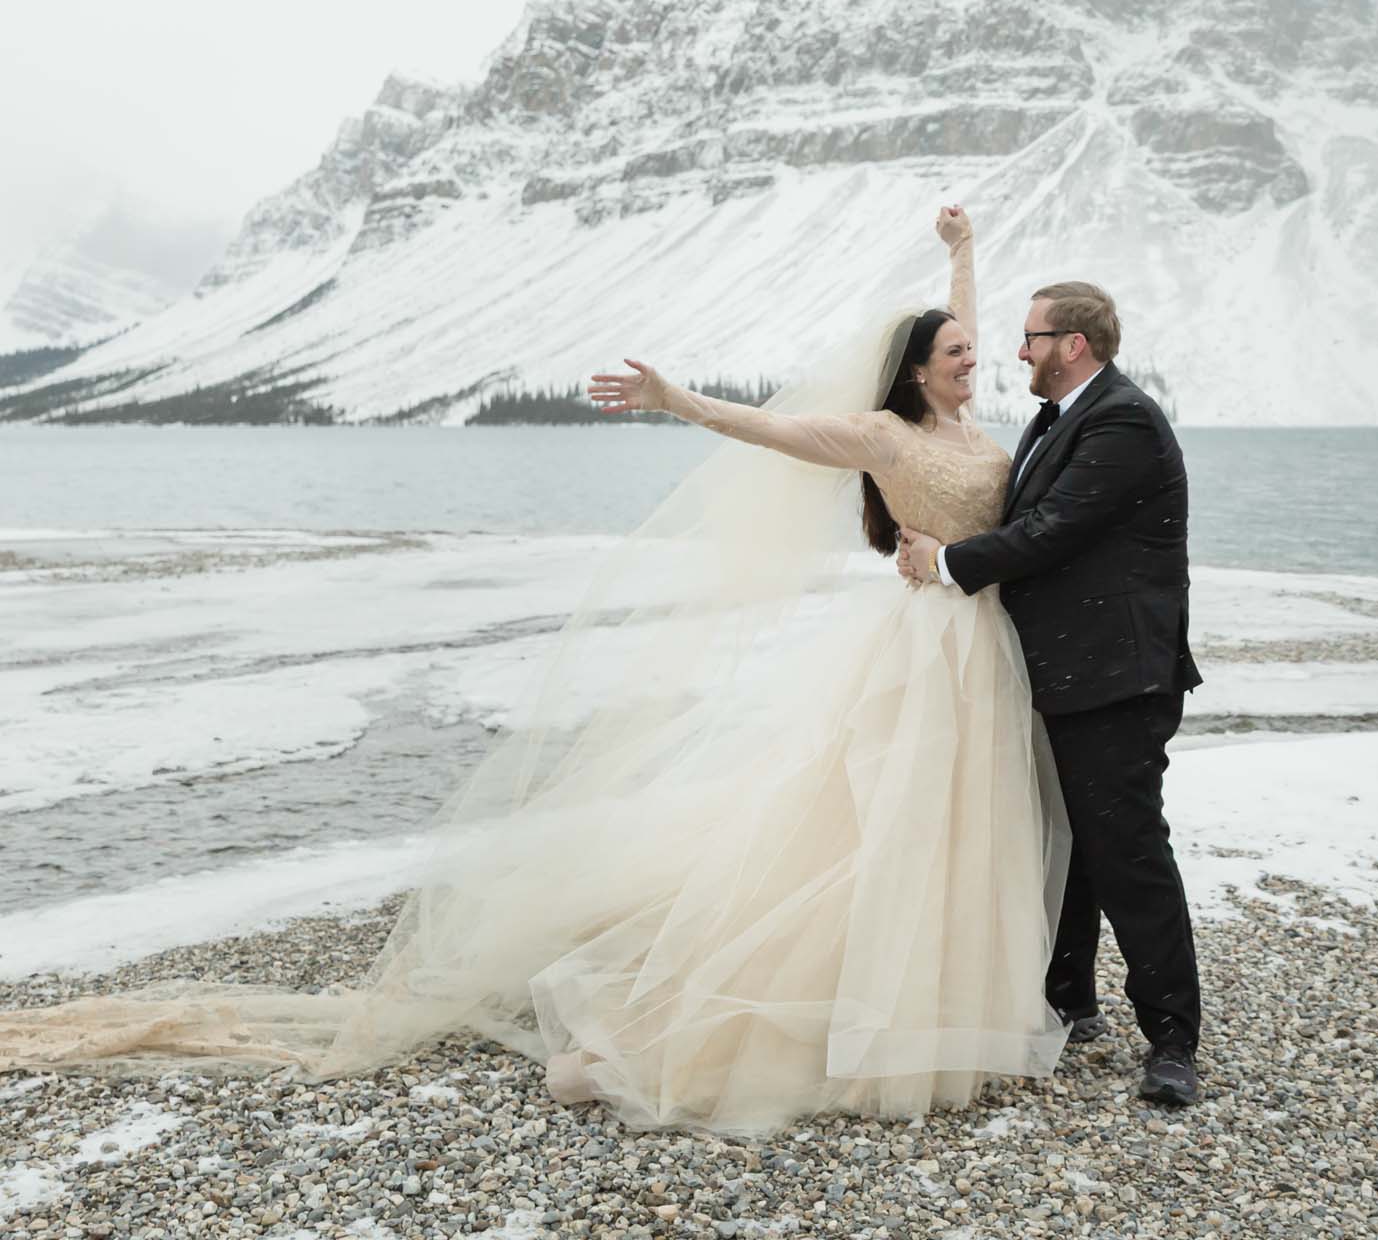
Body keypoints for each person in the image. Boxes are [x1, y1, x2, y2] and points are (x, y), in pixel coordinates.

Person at [0, 207, 1072, 1139]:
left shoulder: (967, 418)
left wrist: (962, 251)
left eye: (974, 353)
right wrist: (677, 400)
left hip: (978, 643)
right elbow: (776, 428)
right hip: (925, 645)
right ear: (914, 366)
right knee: (885, 822)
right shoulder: (879, 432)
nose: (973, 361)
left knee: (957, 822)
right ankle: (790, 1017)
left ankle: (948, 999)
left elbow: (960, 324)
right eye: (955, 353)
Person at [896, 280, 1205, 1107]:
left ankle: (1173, 1039)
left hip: (1117, 678)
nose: (1017, 351)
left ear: (1073, 344)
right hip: (1064, 674)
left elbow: (1051, 530)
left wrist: (946, 564)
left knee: (1127, 851)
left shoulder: (1122, 420)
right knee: (1068, 848)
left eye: (1031, 338)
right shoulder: (1056, 418)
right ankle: (1068, 1000)